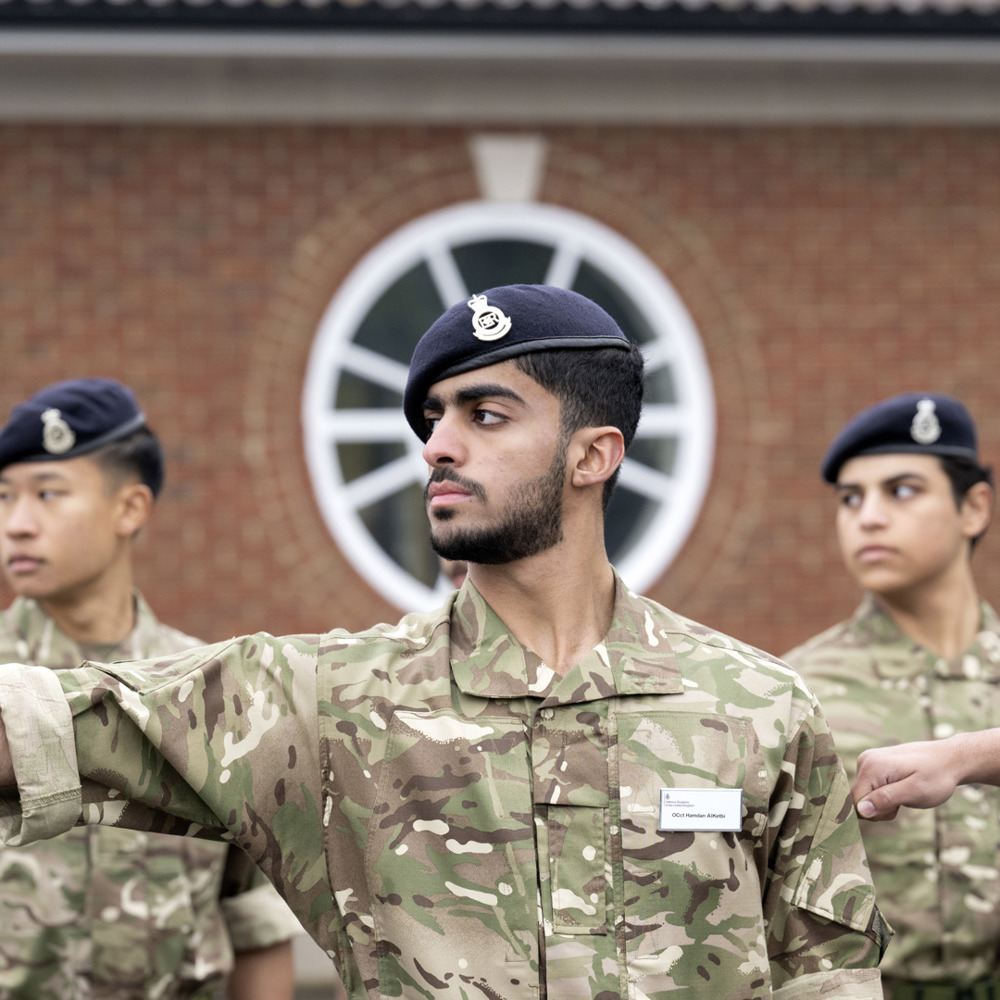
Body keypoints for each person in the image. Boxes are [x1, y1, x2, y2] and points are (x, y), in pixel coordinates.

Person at [0, 287, 889, 999]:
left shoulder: (760, 710)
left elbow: (831, 973)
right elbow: (46, 727)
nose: (437, 445)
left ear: (593, 456)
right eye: (433, 417)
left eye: (485, 415)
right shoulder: (327, 702)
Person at [0, 378, 303, 1000]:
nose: (17, 525)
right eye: (4, 498)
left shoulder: (208, 690)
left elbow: (253, 921)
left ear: (130, 509)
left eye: (48, 495)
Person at [784, 391, 999, 1000]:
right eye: (851, 499)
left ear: (974, 507)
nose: (868, 517)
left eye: (901, 491)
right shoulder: (794, 690)